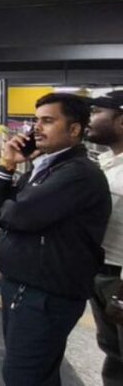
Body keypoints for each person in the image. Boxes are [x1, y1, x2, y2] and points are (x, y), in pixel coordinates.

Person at [0, 93, 111, 386]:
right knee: (31, 373)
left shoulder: (77, 174)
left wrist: (6, 203)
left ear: (74, 130)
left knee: (24, 376)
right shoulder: (46, 168)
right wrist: (6, 165)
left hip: (45, 294)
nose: (37, 128)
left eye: (48, 121)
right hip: (26, 287)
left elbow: (15, 214)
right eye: (36, 120)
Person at [87, 91, 123, 385]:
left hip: (119, 278)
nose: (90, 119)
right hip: (102, 270)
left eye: (97, 112)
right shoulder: (107, 161)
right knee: (113, 351)